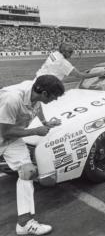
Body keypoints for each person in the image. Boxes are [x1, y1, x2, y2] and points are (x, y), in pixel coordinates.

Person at [0, 75, 65, 235]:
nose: (55, 100)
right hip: (6, 133)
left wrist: (44, 122)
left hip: (11, 140)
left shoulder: (34, 89)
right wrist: (35, 131)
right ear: (43, 93)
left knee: (28, 171)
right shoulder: (12, 98)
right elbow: (5, 131)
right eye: (54, 96)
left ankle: (24, 224)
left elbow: (37, 107)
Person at [36, 42, 105, 84]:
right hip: (47, 86)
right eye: (70, 52)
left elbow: (58, 67)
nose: (71, 54)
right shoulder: (63, 63)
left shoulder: (54, 54)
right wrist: (99, 73)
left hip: (38, 79)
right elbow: (81, 76)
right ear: (64, 52)